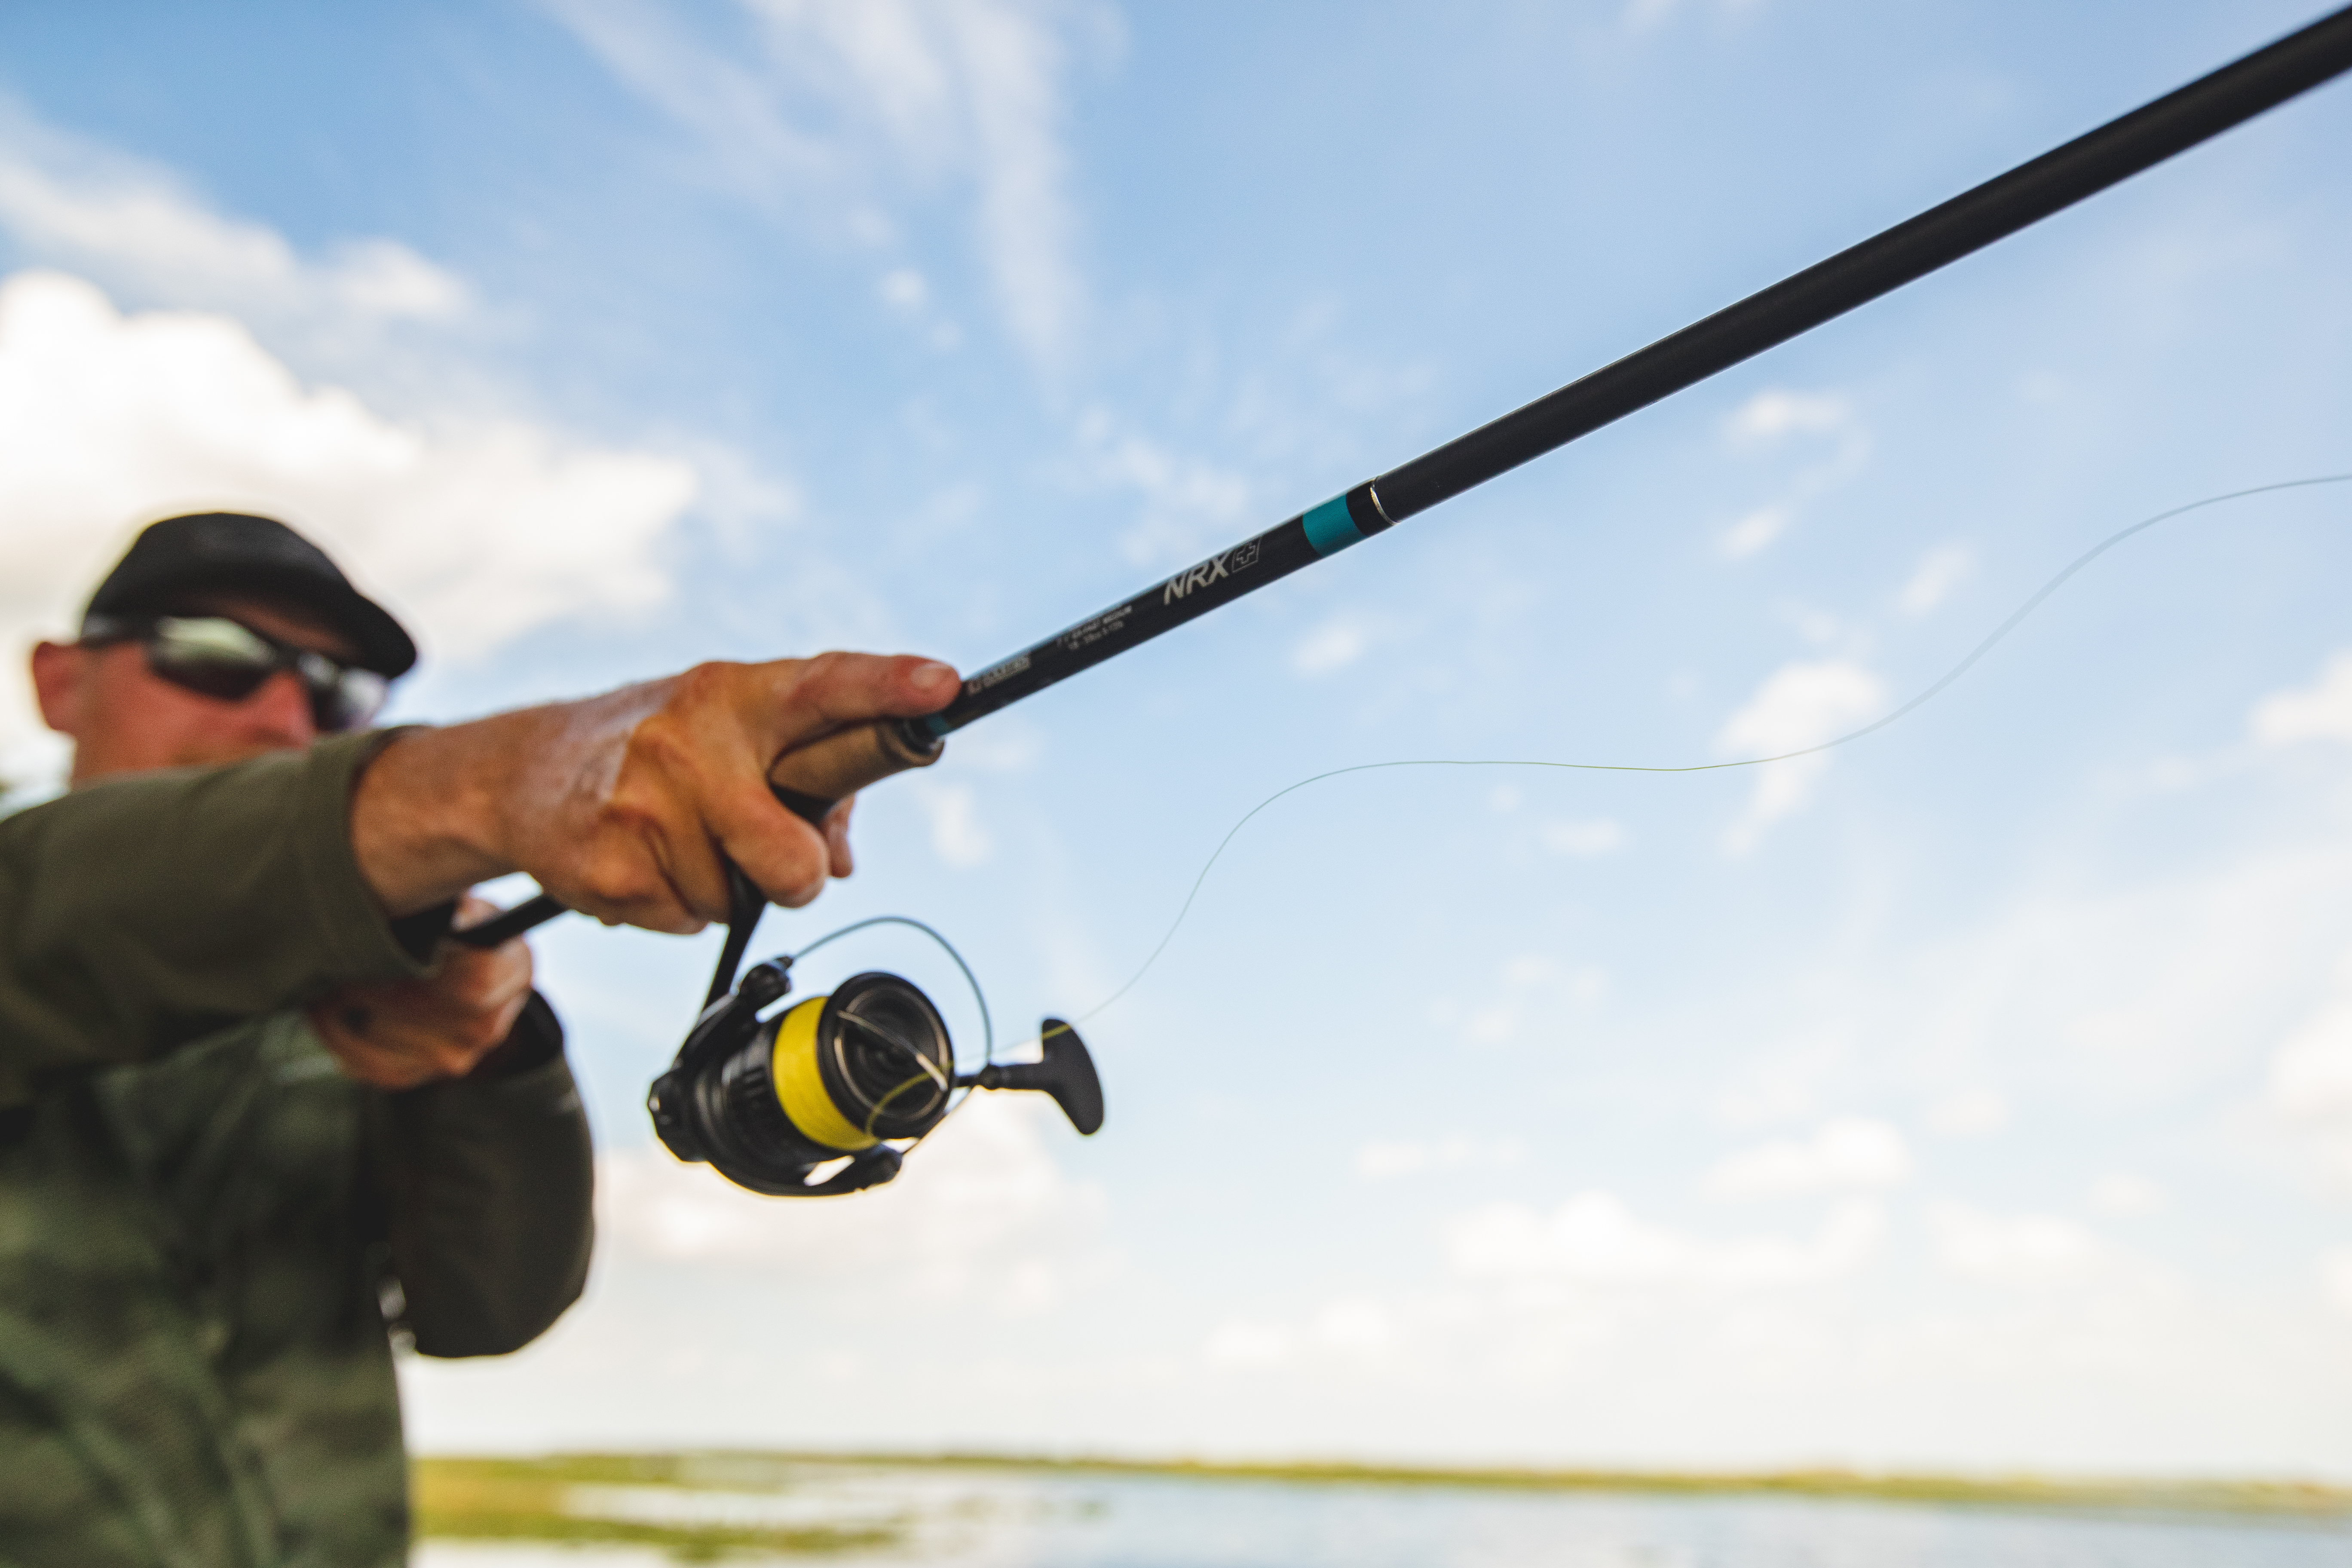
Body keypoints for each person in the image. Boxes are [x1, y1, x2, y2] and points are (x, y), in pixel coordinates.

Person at [0, 511, 959, 1567]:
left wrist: (489, 1051)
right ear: (58, 681)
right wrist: (488, 784)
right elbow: (56, 914)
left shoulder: (349, 977)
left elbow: (492, 1306)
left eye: (338, 695)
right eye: (216, 660)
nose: (284, 719)